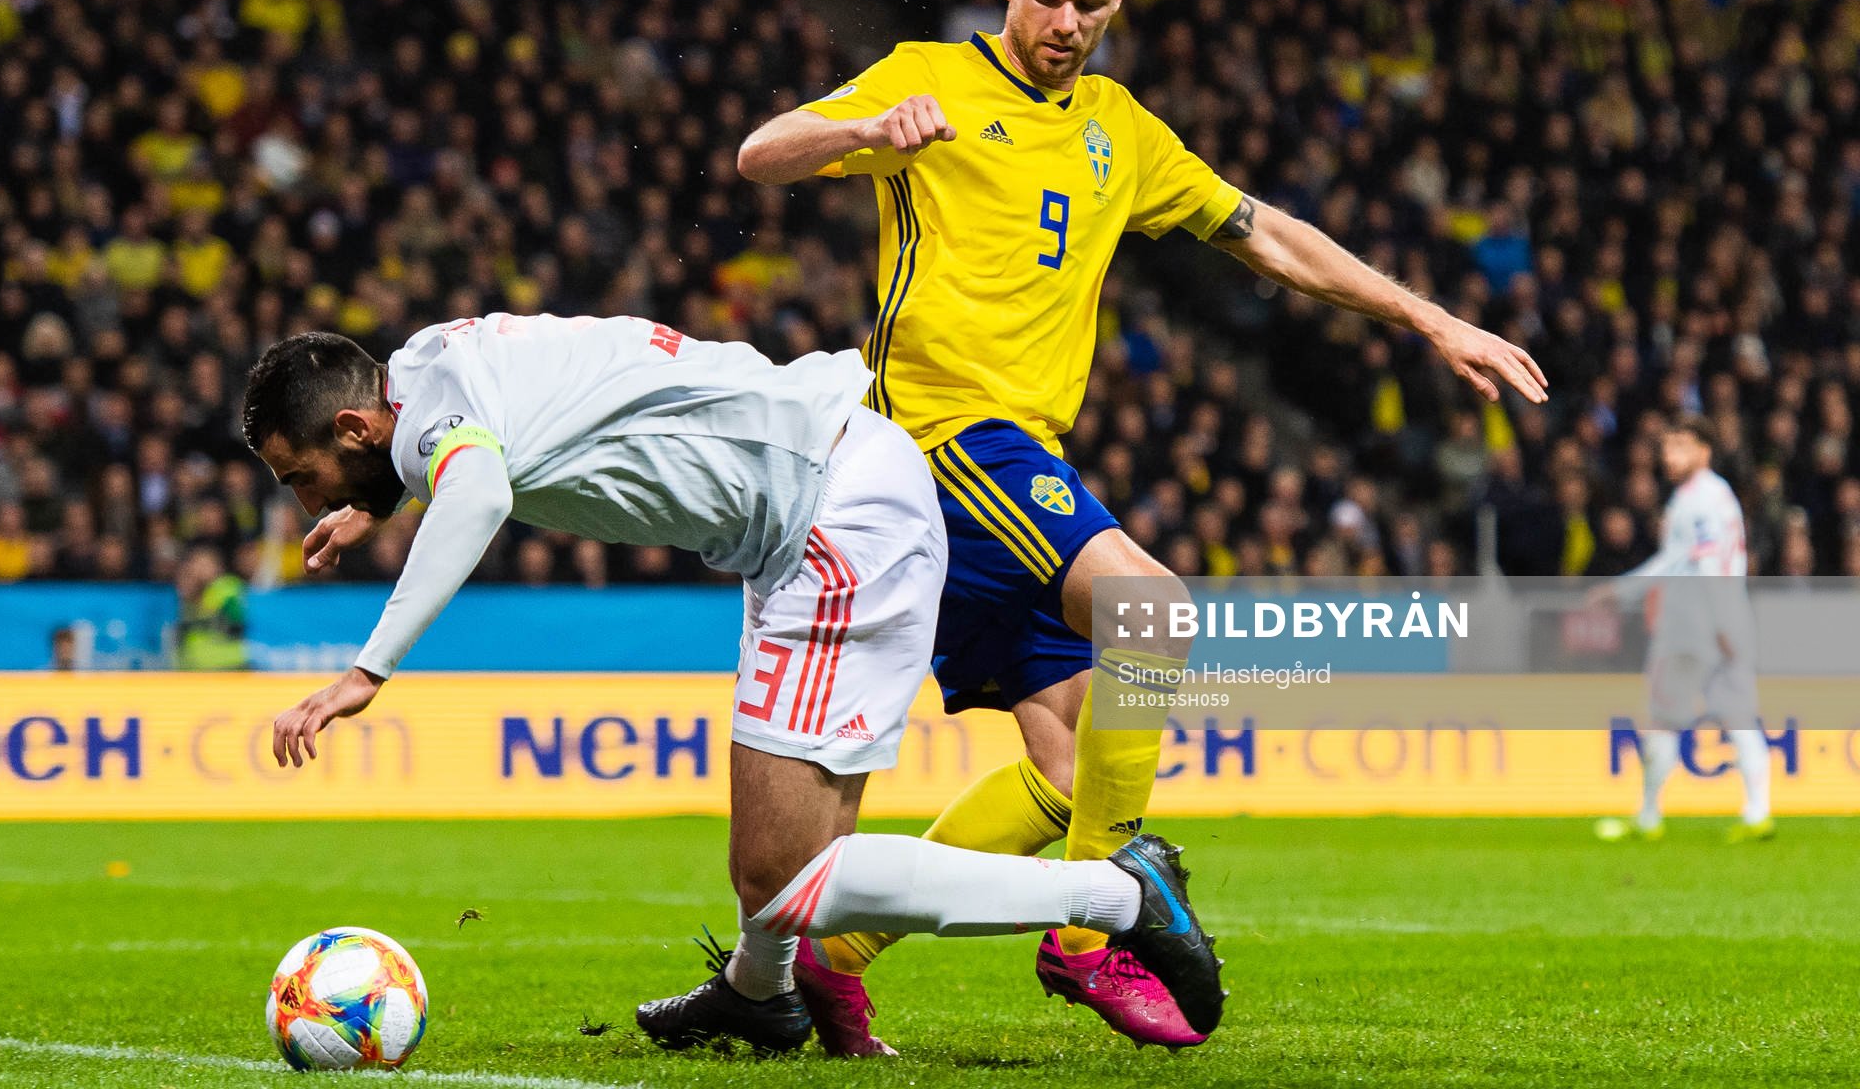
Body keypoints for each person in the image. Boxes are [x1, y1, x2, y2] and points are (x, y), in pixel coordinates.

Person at [738, 0, 1549, 1051]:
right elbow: (761, 153)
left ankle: (839, 951)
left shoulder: (1122, 127)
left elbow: (1265, 232)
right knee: (1153, 614)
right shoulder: (934, 77)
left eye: (1094, 6)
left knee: (1073, 770)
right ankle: (1084, 939)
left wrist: (1431, 321)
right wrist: (867, 132)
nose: (1068, 24)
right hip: (936, 439)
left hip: (1020, 460)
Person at [240, 314, 1225, 1053]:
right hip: (820, 493)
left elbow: (480, 485)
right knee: (783, 851)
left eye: (302, 475)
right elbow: (456, 442)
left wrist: (367, 668)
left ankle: (1116, 893)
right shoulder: (421, 363)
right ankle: (762, 994)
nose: (307, 500)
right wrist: (381, 498)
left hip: (831, 518)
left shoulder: (423, 432)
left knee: (785, 880)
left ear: (359, 426)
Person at [1592, 415, 1770, 844]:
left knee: (1663, 720)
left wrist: (1621, 591)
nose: (1669, 456)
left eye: (1681, 447)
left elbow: (1699, 564)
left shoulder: (1697, 501)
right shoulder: (1716, 495)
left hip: (1694, 625)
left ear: (1704, 451)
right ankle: (1758, 813)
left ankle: (1649, 817)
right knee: (1739, 714)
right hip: (1725, 616)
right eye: (1666, 447)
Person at [173, 545, 249, 671]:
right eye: (195, 563)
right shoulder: (190, 599)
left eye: (204, 563)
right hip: (196, 673)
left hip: (229, 669)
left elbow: (238, 617)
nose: (197, 569)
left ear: (218, 568)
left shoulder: (226, 587)